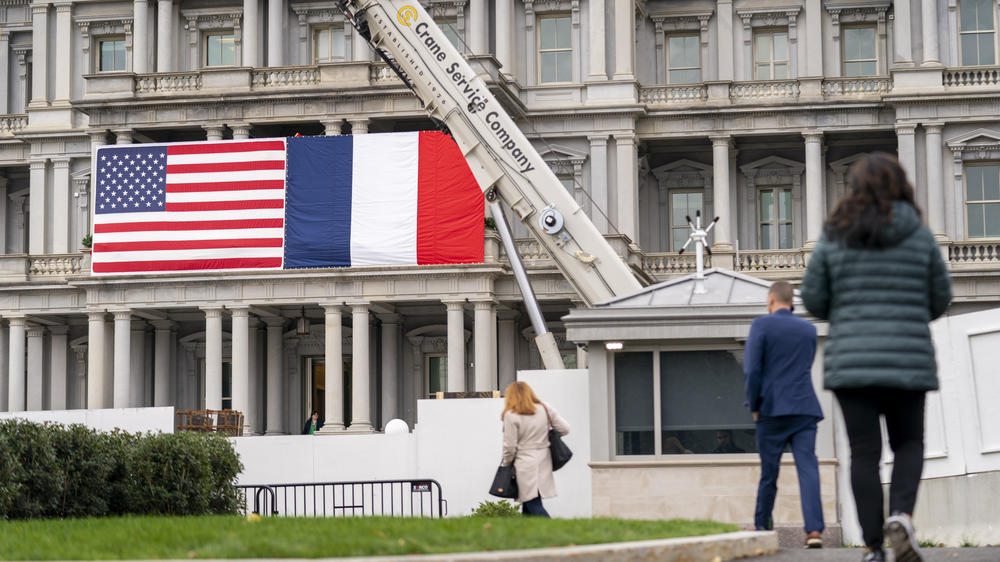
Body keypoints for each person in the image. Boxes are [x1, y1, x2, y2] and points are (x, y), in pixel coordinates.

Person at [801, 153, 952, 562]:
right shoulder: (919, 236)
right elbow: (941, 299)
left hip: (852, 362)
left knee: (863, 452)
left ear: (854, 189)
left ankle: (873, 546)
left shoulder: (834, 235)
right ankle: (901, 514)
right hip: (907, 358)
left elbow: (813, 297)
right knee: (908, 443)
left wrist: (848, 312)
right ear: (901, 185)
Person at [744, 280, 825, 548]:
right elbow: (805, 364)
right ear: (792, 303)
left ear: (770, 301)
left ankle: (762, 524)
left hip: (771, 409)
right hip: (804, 407)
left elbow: (752, 371)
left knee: (770, 472)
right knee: (808, 468)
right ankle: (814, 531)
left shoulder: (761, 326)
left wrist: (754, 405)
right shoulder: (808, 330)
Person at [500, 381, 570, 517]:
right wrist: (547, 437)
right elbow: (565, 428)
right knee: (528, 502)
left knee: (532, 502)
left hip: (524, 463)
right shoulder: (545, 408)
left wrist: (506, 465)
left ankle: (551, 531)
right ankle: (528, 534)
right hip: (544, 459)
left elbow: (509, 447)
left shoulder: (511, 415)